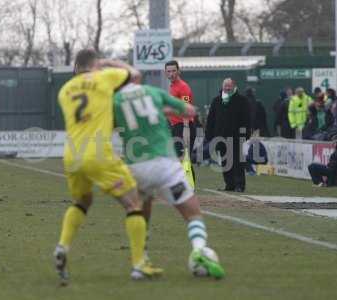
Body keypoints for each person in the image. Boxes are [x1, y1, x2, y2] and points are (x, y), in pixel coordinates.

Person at [54, 49, 162, 284]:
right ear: (95, 65)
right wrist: (109, 62)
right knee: (135, 202)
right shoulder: (104, 77)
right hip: (98, 153)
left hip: (72, 155)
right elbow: (134, 75)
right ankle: (139, 265)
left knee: (82, 201)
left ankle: (63, 245)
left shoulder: (64, 90)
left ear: (75, 68)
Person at [113, 81, 225, 279]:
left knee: (140, 214)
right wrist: (167, 110)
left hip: (137, 167)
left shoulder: (116, 101)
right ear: (135, 80)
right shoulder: (153, 91)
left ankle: (140, 262)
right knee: (193, 214)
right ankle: (199, 249)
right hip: (165, 166)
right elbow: (189, 110)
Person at [205, 78, 251, 192]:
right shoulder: (216, 100)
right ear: (222, 86)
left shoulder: (242, 100)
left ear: (234, 86)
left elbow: (247, 119)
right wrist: (209, 135)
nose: (227, 88)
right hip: (220, 137)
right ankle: (229, 184)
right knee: (225, 162)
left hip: (237, 137)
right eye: (225, 86)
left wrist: (246, 134)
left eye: (229, 86)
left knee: (238, 162)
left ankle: (239, 185)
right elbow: (211, 119)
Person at [164, 60, 196, 181]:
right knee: (178, 159)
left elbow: (186, 110)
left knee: (183, 158)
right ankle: (184, 187)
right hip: (176, 126)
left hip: (184, 126)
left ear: (178, 71)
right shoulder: (172, 86)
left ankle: (189, 187)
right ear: (165, 73)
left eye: (173, 71)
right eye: (169, 71)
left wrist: (186, 129)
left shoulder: (183, 87)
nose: (171, 74)